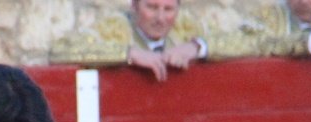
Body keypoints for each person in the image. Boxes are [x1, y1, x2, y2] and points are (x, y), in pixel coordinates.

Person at [49, 0, 208, 81]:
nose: (161, 18)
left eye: (168, 9)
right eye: (152, 7)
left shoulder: (186, 28)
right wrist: (129, 54)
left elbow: (232, 38)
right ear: (134, 6)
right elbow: (59, 50)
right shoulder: (113, 28)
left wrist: (197, 47)